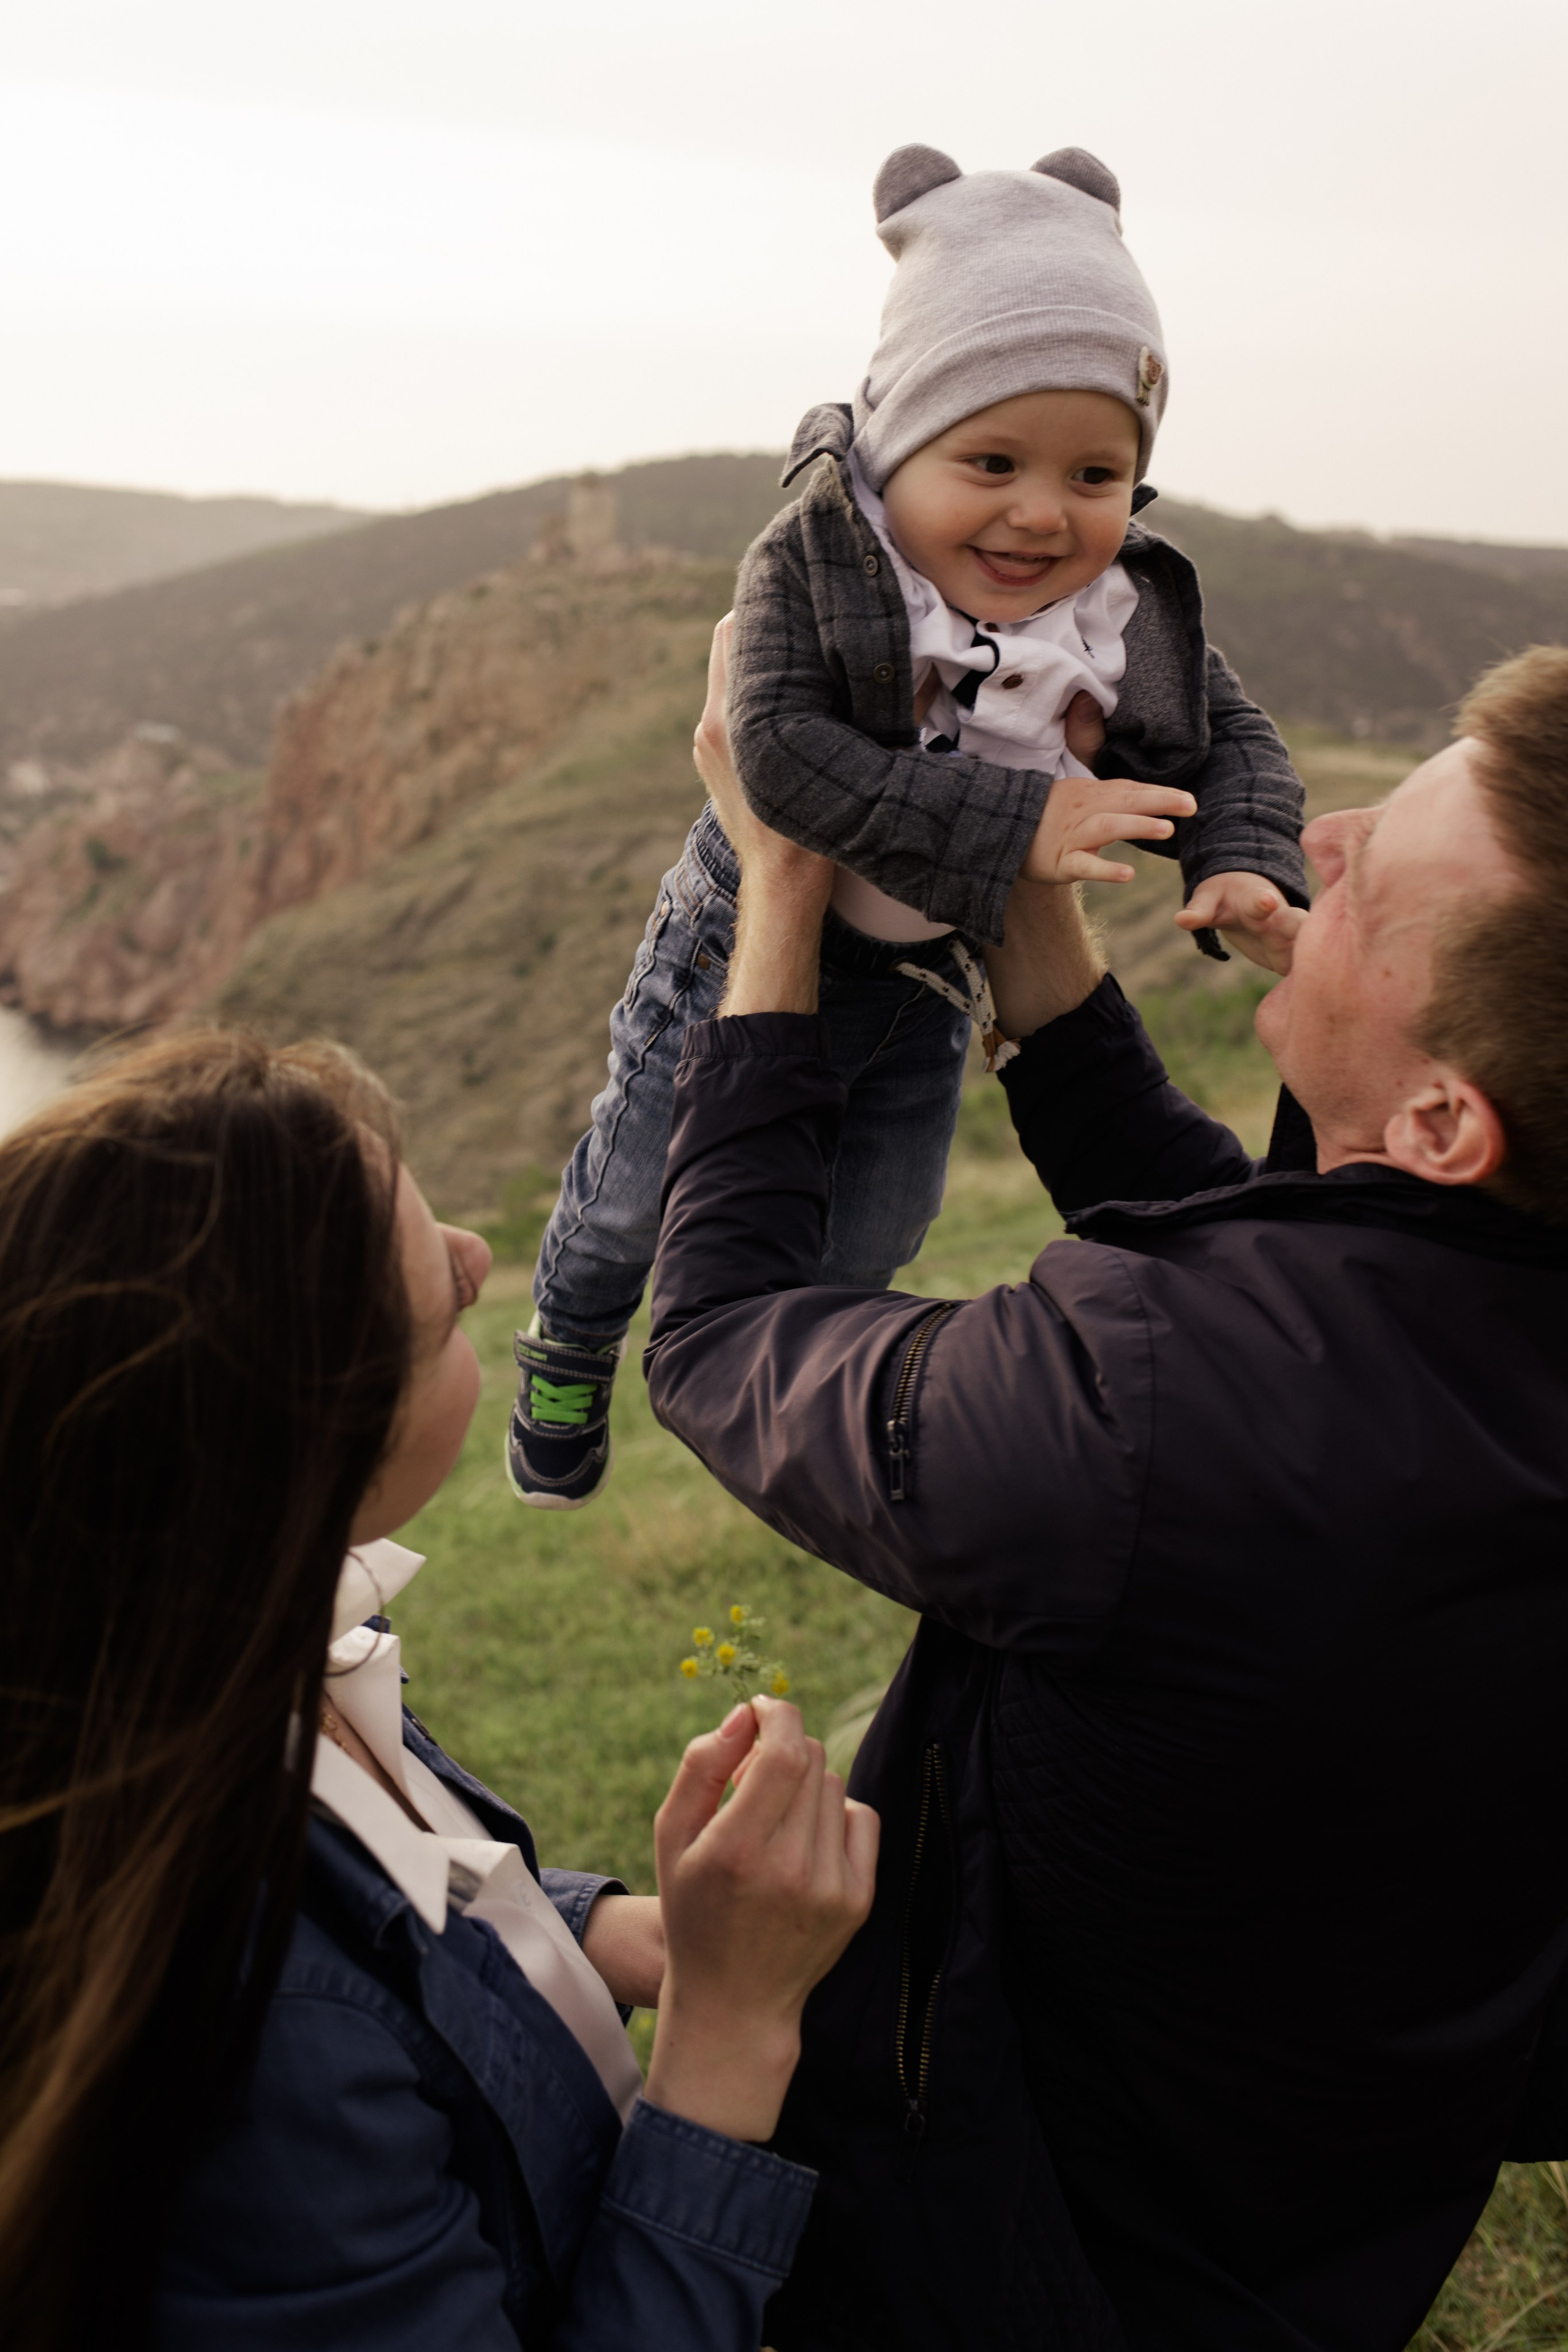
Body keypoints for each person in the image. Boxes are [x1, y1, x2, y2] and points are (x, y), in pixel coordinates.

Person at [641, 635, 1568, 2351]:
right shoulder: (1458, 1318)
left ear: (1445, 1124)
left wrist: (776, 890)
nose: (1325, 835)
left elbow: (718, 1339)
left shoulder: (1155, 1420)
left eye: (1380, 878)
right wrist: (1018, 898)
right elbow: (1286, 1316)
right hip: (1315, 2221)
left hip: (1007, 2266)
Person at [0, 1029, 878, 2352]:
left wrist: (605, 1936)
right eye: (440, 1314)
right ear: (314, 1453)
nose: (475, 1256)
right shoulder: (255, 2038)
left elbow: (391, 1924)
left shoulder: (205, 1641)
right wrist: (724, 2036)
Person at [507, 141, 1307, 1511]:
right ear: (894, 446)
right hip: (739, 947)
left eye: (1095, 474)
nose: (1041, 512)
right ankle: (568, 1344)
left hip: (928, 980)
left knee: (875, 1226)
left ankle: (790, 1390)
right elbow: (777, 755)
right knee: (637, 1195)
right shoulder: (821, 561)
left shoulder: (1113, 609)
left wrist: (1243, 858)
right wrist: (1017, 821)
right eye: (990, 460)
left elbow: (1226, 738)